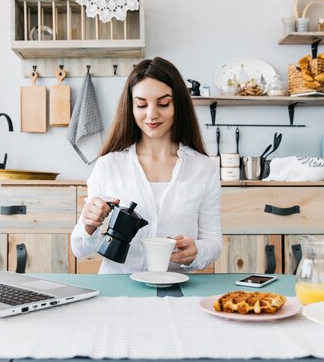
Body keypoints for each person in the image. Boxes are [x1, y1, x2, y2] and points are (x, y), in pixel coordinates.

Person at [70, 57, 221, 274]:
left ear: (178, 104)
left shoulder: (204, 168)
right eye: (141, 104)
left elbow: (214, 242)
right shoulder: (108, 165)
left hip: (174, 292)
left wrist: (198, 250)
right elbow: (80, 250)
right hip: (118, 292)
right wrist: (89, 224)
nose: (151, 114)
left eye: (163, 103)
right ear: (130, 107)